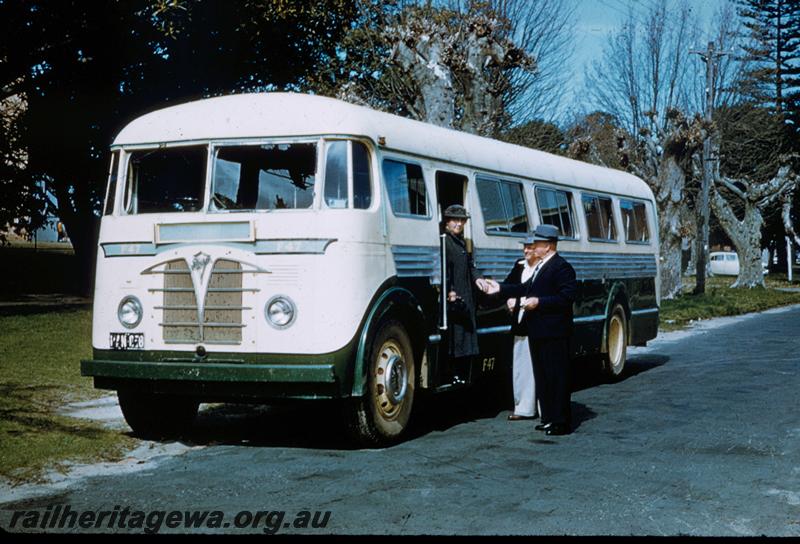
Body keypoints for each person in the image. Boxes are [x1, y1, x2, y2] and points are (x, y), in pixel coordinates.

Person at [483, 224, 577, 435]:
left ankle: (561, 421)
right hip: (539, 331)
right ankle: (549, 417)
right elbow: (524, 288)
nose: (534, 247)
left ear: (549, 245)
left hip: (555, 332)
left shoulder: (562, 267)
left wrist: (539, 302)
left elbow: (566, 297)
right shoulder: (542, 266)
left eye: (539, 243)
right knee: (543, 376)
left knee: (557, 377)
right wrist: (500, 288)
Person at [442, 204, 490, 384]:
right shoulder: (446, 242)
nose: (459, 224)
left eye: (462, 220)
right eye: (455, 220)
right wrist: (450, 291)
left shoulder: (459, 242)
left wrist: (478, 278)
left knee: (464, 335)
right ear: (447, 222)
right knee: (457, 336)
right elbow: (445, 270)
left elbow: (470, 266)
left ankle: (461, 374)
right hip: (456, 296)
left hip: (466, 294)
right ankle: (455, 374)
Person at [503, 245, 541, 421]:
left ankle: (544, 408)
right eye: (525, 248)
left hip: (540, 323)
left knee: (541, 366)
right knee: (522, 365)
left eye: (530, 248)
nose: (526, 251)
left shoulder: (544, 268)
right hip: (521, 322)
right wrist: (509, 298)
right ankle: (524, 408)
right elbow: (507, 286)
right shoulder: (519, 267)